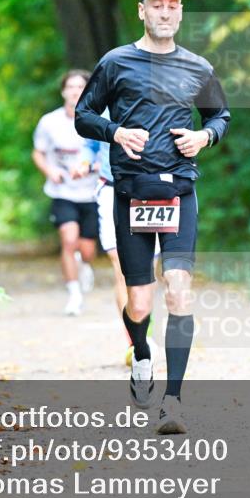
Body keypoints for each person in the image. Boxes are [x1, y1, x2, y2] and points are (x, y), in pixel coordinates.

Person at [75, 0, 230, 434]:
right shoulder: (116, 62)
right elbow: (84, 115)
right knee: (140, 303)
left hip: (179, 190)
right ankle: (141, 353)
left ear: (180, 13)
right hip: (131, 193)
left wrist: (204, 136)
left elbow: (220, 116)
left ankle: (174, 401)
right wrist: (116, 132)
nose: (165, 12)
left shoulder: (197, 66)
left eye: (172, 6)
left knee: (179, 289)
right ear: (142, 11)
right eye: (156, 5)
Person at [82, 134, 159, 366]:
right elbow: (90, 143)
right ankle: (135, 341)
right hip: (111, 188)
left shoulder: (157, 98)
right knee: (122, 268)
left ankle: (146, 334)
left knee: (148, 268)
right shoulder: (103, 99)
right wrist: (84, 161)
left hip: (151, 188)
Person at [33, 70, 100, 315]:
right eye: (70, 87)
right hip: (62, 192)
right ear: (63, 91)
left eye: (80, 86)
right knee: (68, 240)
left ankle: (85, 265)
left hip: (92, 193)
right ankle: (74, 294)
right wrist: (50, 170)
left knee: (88, 249)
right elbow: (38, 152)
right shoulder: (49, 122)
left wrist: (92, 167)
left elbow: (108, 154)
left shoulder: (97, 120)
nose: (74, 91)